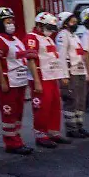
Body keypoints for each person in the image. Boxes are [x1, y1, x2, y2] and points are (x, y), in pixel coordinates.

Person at [0, 7, 35, 155]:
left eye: (12, 20)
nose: (11, 24)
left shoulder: (15, 40)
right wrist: (2, 81)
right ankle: (11, 143)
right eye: (7, 21)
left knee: (18, 113)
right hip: (9, 82)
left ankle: (17, 139)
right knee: (9, 113)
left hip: (20, 81)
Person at [26, 12, 69, 148]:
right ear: (39, 25)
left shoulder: (48, 38)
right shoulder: (32, 38)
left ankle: (53, 132)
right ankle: (41, 134)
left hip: (52, 77)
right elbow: (31, 60)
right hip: (41, 77)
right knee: (42, 107)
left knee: (55, 105)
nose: (50, 30)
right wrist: (36, 81)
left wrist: (61, 75)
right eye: (48, 27)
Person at [56, 11, 89, 139]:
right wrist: (64, 75)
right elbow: (61, 57)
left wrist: (87, 72)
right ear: (65, 23)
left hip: (80, 71)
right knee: (71, 101)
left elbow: (80, 55)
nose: (75, 23)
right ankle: (71, 128)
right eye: (72, 21)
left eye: (75, 21)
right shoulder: (63, 35)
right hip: (71, 73)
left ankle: (79, 125)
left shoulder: (75, 36)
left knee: (80, 101)